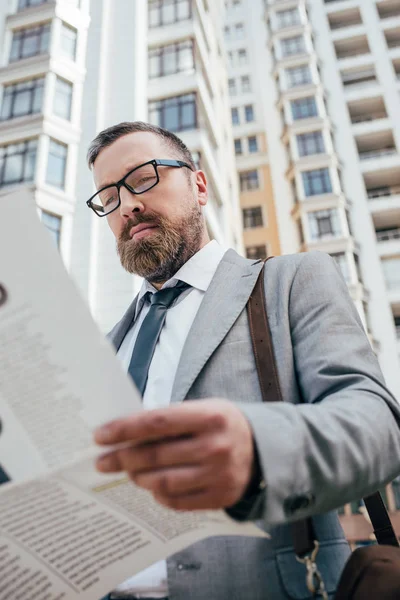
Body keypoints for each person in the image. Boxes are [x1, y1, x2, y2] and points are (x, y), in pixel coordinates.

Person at [86, 121, 400, 600]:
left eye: (144, 177)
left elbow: (380, 429)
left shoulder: (290, 282)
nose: (127, 204)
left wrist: (259, 453)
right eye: (108, 196)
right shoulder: (104, 348)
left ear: (198, 184)